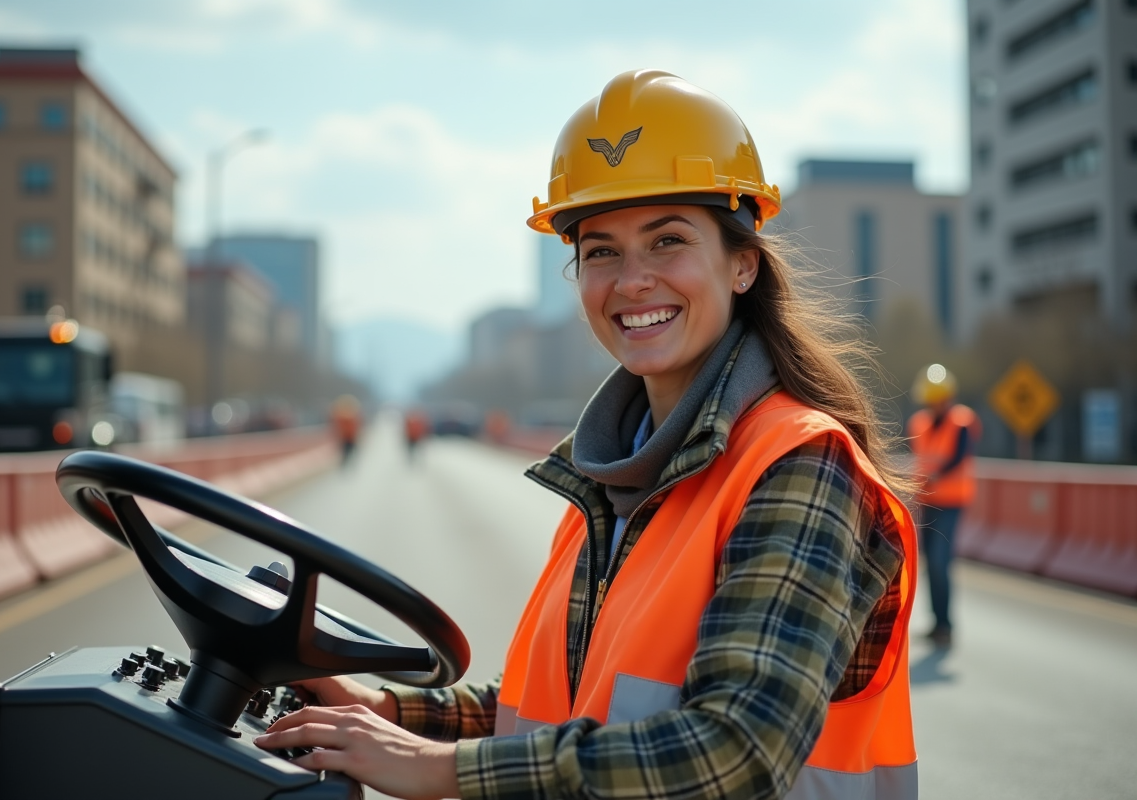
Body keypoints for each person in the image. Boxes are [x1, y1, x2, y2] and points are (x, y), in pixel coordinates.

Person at [256, 70, 920, 800]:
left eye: (667, 241)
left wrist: (440, 769)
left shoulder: (798, 463)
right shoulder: (615, 473)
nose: (632, 281)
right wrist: (385, 710)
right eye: (601, 251)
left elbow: (736, 749)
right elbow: (566, 707)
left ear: (742, 265)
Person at [907, 364, 980, 649]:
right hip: (928, 501)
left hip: (951, 502)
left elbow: (958, 457)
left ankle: (946, 626)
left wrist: (935, 476)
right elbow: (920, 458)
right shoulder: (919, 423)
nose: (933, 404)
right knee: (931, 564)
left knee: (940, 562)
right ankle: (937, 624)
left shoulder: (961, 422)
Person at [330, 394, 362, 466]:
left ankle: (348, 462)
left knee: (349, 451)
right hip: (346, 437)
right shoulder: (345, 416)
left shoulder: (346, 416)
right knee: (347, 451)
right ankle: (347, 463)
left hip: (349, 437)